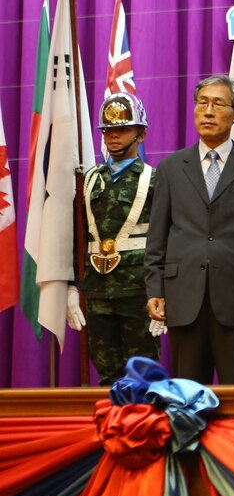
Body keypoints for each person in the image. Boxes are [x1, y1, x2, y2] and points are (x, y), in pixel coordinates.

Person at [144, 75, 234, 384]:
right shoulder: (171, 167)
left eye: (218, 104)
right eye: (202, 103)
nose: (208, 111)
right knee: (186, 391)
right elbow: (157, 236)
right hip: (183, 294)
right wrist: (155, 289)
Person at [65, 92, 159, 386]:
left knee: (143, 372)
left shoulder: (155, 179)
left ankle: (143, 428)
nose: (113, 136)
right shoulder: (88, 179)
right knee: (106, 372)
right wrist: (70, 286)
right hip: (97, 289)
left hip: (138, 290)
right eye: (107, 130)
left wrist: (164, 293)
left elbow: (165, 240)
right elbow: (76, 237)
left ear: (141, 134)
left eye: (122, 129)